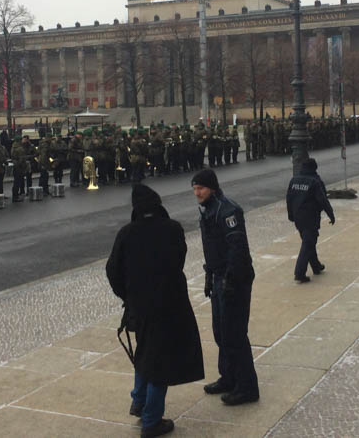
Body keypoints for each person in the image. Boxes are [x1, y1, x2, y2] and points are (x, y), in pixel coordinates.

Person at [106, 184, 204, 438]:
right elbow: (179, 260)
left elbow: (112, 270)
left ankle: (139, 400)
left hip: (139, 305)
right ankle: (151, 421)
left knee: (146, 351)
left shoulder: (126, 233)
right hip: (170, 303)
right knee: (160, 361)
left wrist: (127, 295)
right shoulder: (173, 229)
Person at [192, 169, 259, 406]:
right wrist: (210, 277)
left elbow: (237, 249)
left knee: (235, 334)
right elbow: (213, 250)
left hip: (234, 280)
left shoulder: (227, 210)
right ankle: (229, 377)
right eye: (195, 189)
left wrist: (229, 280)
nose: (197, 193)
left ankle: (247, 387)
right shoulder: (209, 210)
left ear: (212, 188)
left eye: (200, 188)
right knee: (221, 332)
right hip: (219, 277)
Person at [286, 159, 335, 282]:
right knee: (308, 243)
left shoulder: (294, 180)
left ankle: (316, 266)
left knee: (308, 241)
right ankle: (299, 273)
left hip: (298, 217)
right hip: (310, 217)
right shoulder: (315, 182)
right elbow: (323, 200)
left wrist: (291, 215)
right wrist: (331, 214)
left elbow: (289, 199)